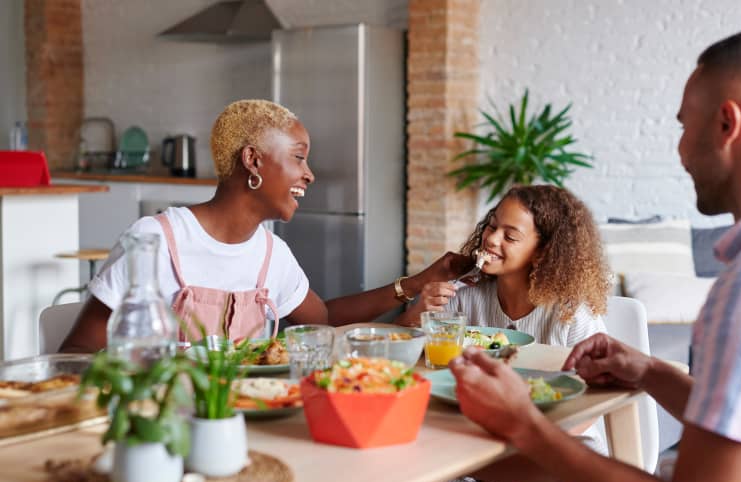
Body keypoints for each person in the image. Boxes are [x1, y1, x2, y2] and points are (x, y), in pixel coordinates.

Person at [450, 30, 741, 482]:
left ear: (727, 123)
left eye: (685, 126)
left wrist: (525, 425)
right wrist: (648, 370)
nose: (681, 151)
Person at [59, 99, 470, 352]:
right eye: (298, 157)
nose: (309, 174)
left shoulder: (270, 252)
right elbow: (78, 352)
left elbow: (322, 320)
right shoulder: (156, 240)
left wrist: (414, 285)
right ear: (253, 161)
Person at [399, 185, 611, 482]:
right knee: (425, 481)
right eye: (492, 225)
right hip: (475, 444)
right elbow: (406, 360)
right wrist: (418, 311)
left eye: (510, 236)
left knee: (584, 463)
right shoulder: (463, 296)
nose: (492, 239)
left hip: (551, 449)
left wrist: (519, 455)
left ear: (543, 251)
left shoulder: (571, 313)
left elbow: (593, 404)